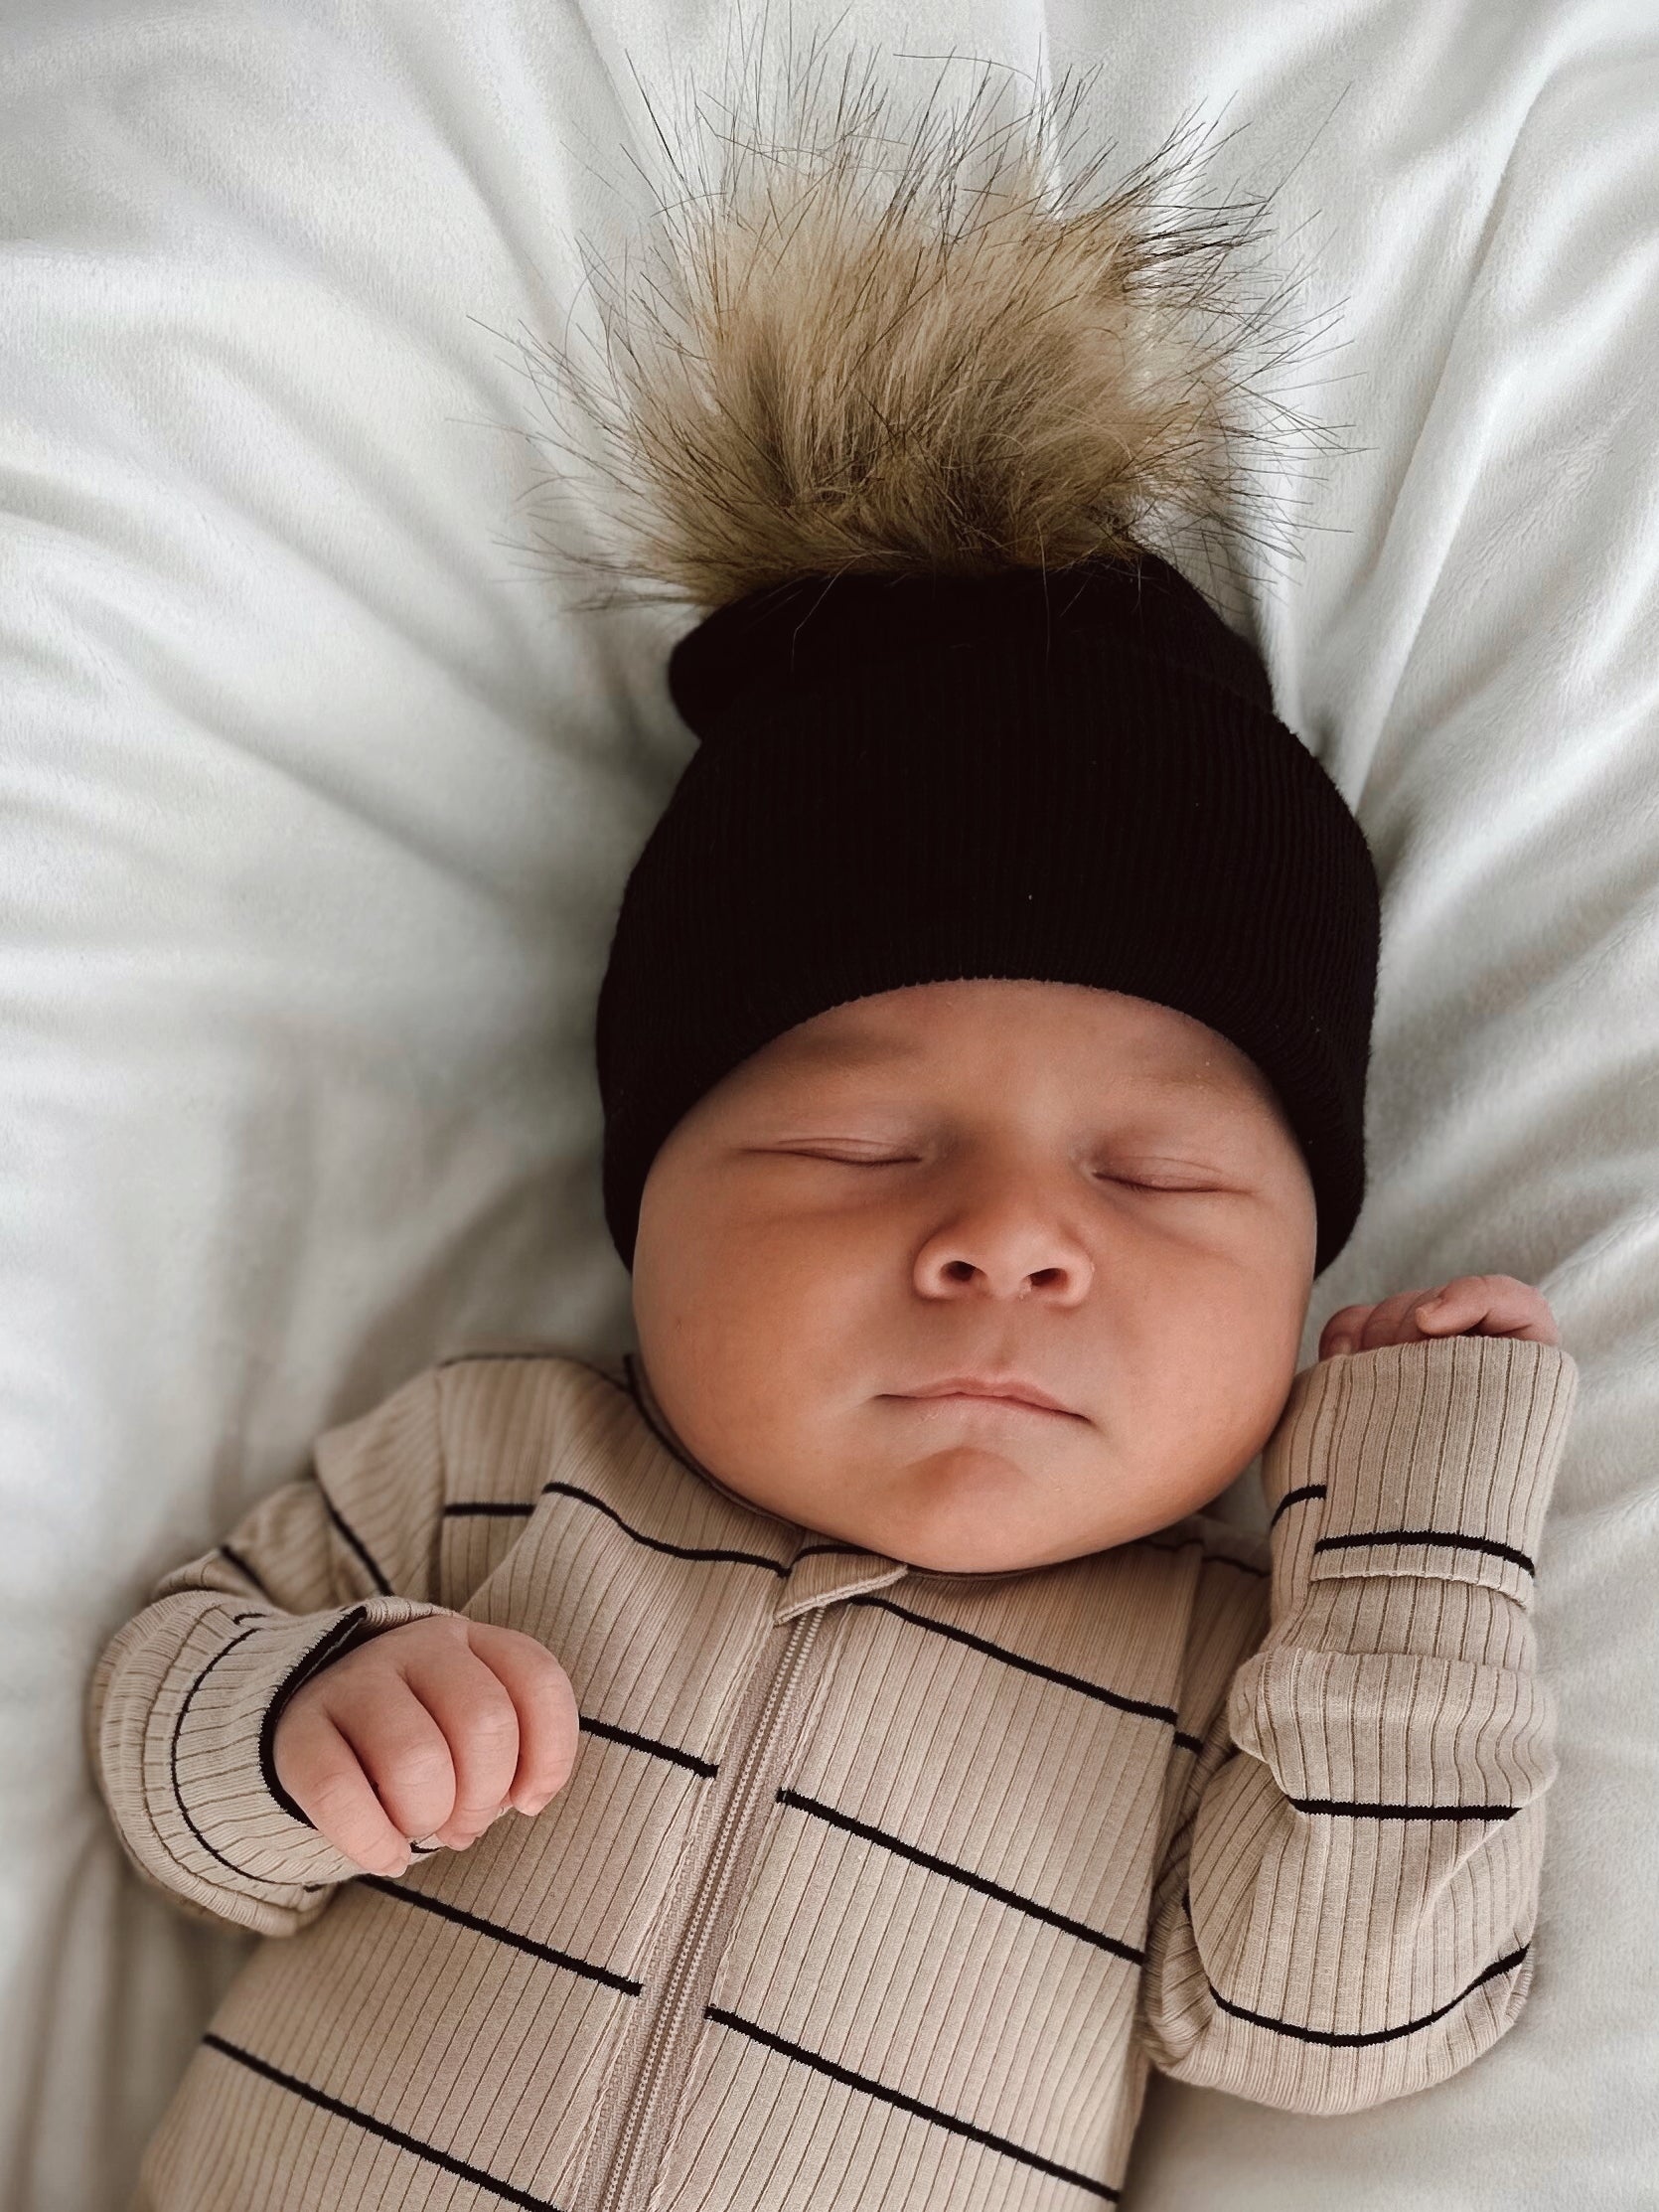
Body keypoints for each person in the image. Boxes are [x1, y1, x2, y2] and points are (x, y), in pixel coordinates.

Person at [85, 39, 1580, 2211]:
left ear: (1301, 1271)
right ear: (651, 1192)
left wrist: (1412, 1533)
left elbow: (1341, 2017)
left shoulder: (1221, 1667)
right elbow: (170, 1721)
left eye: (1156, 1172)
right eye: (859, 1146)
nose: (1008, 1239)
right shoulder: (490, 1467)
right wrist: (304, 1721)